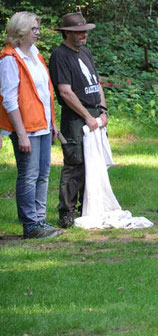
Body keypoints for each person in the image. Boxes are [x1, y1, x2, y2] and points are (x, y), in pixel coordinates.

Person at [0, 11, 63, 238]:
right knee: (29, 175)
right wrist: (22, 134)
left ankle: (40, 220)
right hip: (26, 128)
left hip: (43, 125)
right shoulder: (9, 58)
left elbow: (45, 93)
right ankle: (30, 225)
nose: (38, 33)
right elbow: (9, 99)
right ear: (21, 31)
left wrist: (52, 122)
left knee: (43, 174)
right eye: (34, 29)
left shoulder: (36, 54)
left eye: (38, 29)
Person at [49, 12, 108, 228]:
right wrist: (86, 116)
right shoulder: (59, 55)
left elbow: (97, 82)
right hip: (75, 119)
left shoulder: (86, 53)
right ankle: (67, 213)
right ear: (67, 33)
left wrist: (103, 111)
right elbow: (65, 92)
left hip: (94, 114)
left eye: (85, 30)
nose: (84, 34)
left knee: (95, 163)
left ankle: (88, 208)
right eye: (78, 32)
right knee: (75, 165)